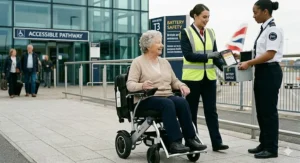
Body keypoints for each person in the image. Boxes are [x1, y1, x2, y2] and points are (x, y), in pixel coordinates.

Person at [127, 30, 207, 154]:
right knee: (167, 104)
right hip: (146, 99)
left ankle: (191, 139)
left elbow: (174, 81)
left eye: (161, 42)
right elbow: (130, 85)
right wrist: (142, 85)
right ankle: (175, 142)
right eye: (158, 42)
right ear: (148, 46)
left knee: (181, 102)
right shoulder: (138, 62)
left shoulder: (164, 62)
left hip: (166, 96)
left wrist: (182, 85)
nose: (161, 45)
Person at [179, 4, 228, 151]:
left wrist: (225, 68)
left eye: (208, 17)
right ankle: (193, 141)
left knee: (211, 111)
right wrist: (209, 56)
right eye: (204, 17)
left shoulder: (211, 32)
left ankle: (217, 142)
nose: (207, 20)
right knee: (191, 111)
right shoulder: (185, 32)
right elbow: (188, 55)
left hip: (209, 78)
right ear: (195, 16)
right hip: (192, 79)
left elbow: (216, 55)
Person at [238, 0, 282, 159]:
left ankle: (271, 148)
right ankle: (264, 143)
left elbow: (270, 54)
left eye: (255, 12)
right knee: (262, 111)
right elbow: (260, 52)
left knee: (269, 112)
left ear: (265, 11)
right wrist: (243, 57)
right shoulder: (264, 29)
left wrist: (249, 63)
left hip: (270, 72)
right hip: (263, 71)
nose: (253, 15)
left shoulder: (273, 30)